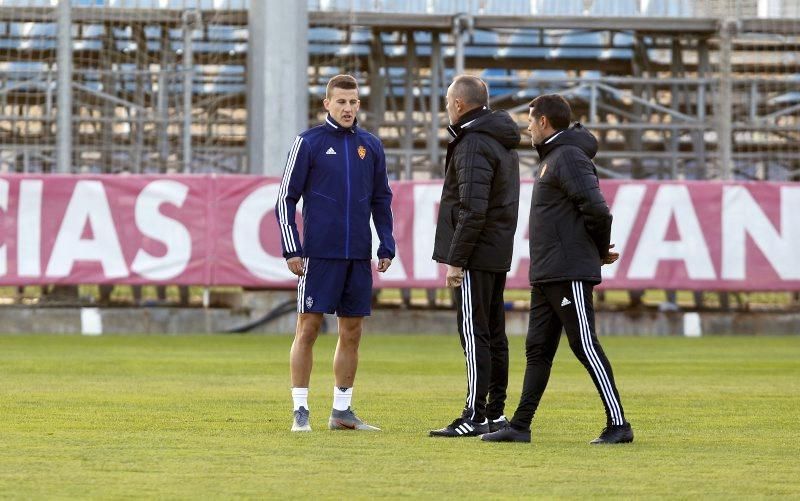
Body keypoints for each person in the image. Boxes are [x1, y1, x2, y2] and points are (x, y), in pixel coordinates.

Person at [481, 94, 633, 444]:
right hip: (548, 273)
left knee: (585, 347)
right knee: (537, 349)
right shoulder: (555, 158)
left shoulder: (568, 158)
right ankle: (520, 425)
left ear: (545, 122)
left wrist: (596, 251)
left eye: (531, 121)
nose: (528, 127)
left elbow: (598, 210)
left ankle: (619, 425)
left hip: (567, 272)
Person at [275, 74, 395, 433]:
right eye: (341, 101)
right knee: (308, 327)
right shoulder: (308, 142)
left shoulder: (370, 146)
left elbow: (381, 199)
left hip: (357, 255)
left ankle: (342, 412)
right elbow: (285, 198)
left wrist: (385, 242)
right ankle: (300, 410)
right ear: (327, 104)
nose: (348, 108)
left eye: (353, 102)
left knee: (353, 330)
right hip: (318, 255)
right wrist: (291, 247)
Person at [429, 75, 521, 437]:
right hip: (496, 250)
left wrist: (457, 258)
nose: (446, 107)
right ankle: (495, 413)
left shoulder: (472, 144)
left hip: (476, 252)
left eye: (448, 101)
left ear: (458, 104)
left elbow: (472, 208)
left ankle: (475, 414)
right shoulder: (501, 140)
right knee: (494, 333)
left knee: (474, 333)